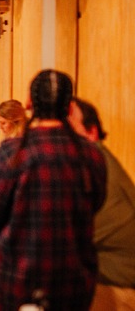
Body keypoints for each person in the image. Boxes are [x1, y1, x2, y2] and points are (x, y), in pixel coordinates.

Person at [0, 70, 107, 310]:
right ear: (69, 107)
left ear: (30, 103)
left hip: (16, 279)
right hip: (72, 282)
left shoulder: (14, 151)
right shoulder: (92, 154)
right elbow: (96, 203)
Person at [69, 98, 135, 310]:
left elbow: (69, 237)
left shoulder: (93, 168)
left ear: (92, 132)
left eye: (68, 127)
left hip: (117, 286)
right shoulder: (94, 160)